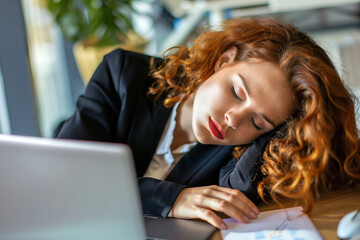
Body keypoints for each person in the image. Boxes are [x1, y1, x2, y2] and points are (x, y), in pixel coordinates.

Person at [54, 17, 360, 229]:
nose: (233, 119)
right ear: (224, 60)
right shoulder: (122, 75)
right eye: (237, 92)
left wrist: (289, 123)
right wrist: (169, 198)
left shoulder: (243, 148)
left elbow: (237, 192)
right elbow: (65, 179)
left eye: (256, 121)